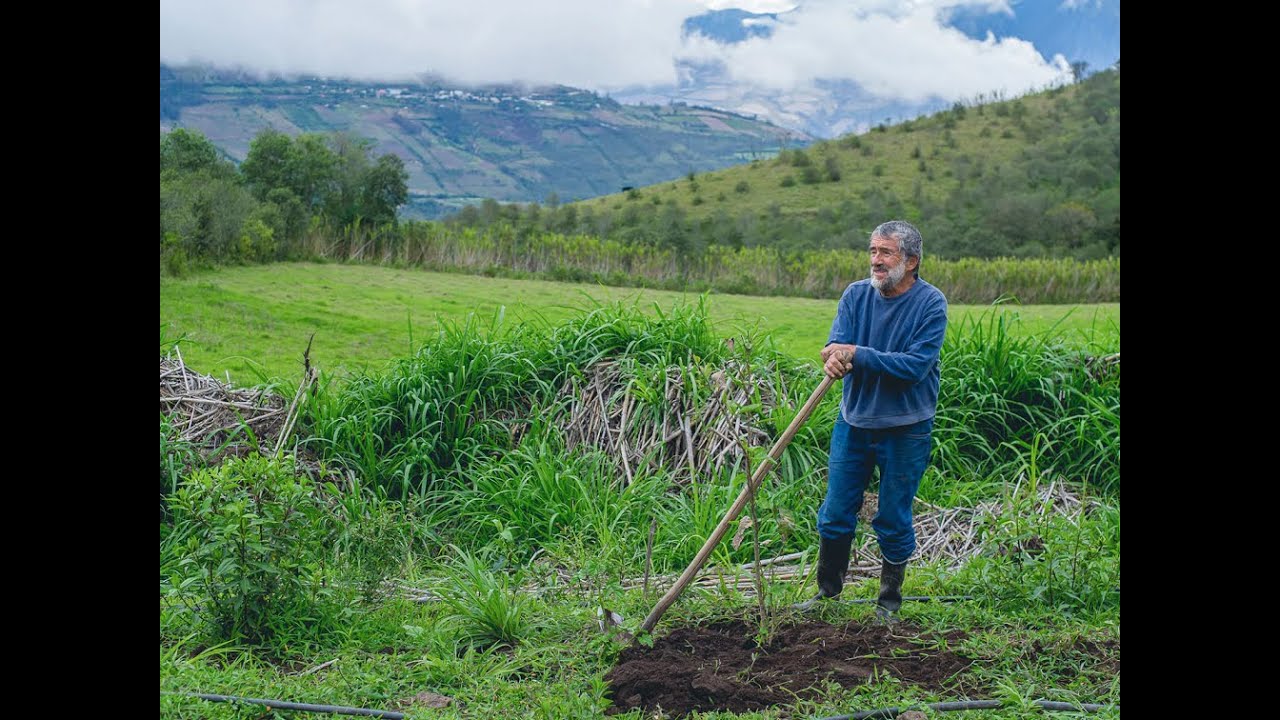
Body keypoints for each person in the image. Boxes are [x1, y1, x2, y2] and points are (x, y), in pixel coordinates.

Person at [797, 220, 948, 620]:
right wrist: (833, 356)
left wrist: (857, 353)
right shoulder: (855, 296)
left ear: (911, 261)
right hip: (856, 422)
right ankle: (827, 595)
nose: (876, 261)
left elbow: (915, 366)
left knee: (893, 516)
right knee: (834, 512)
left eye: (885, 253)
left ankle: (888, 602)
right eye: (872, 251)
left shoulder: (931, 304)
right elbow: (835, 344)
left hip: (906, 428)